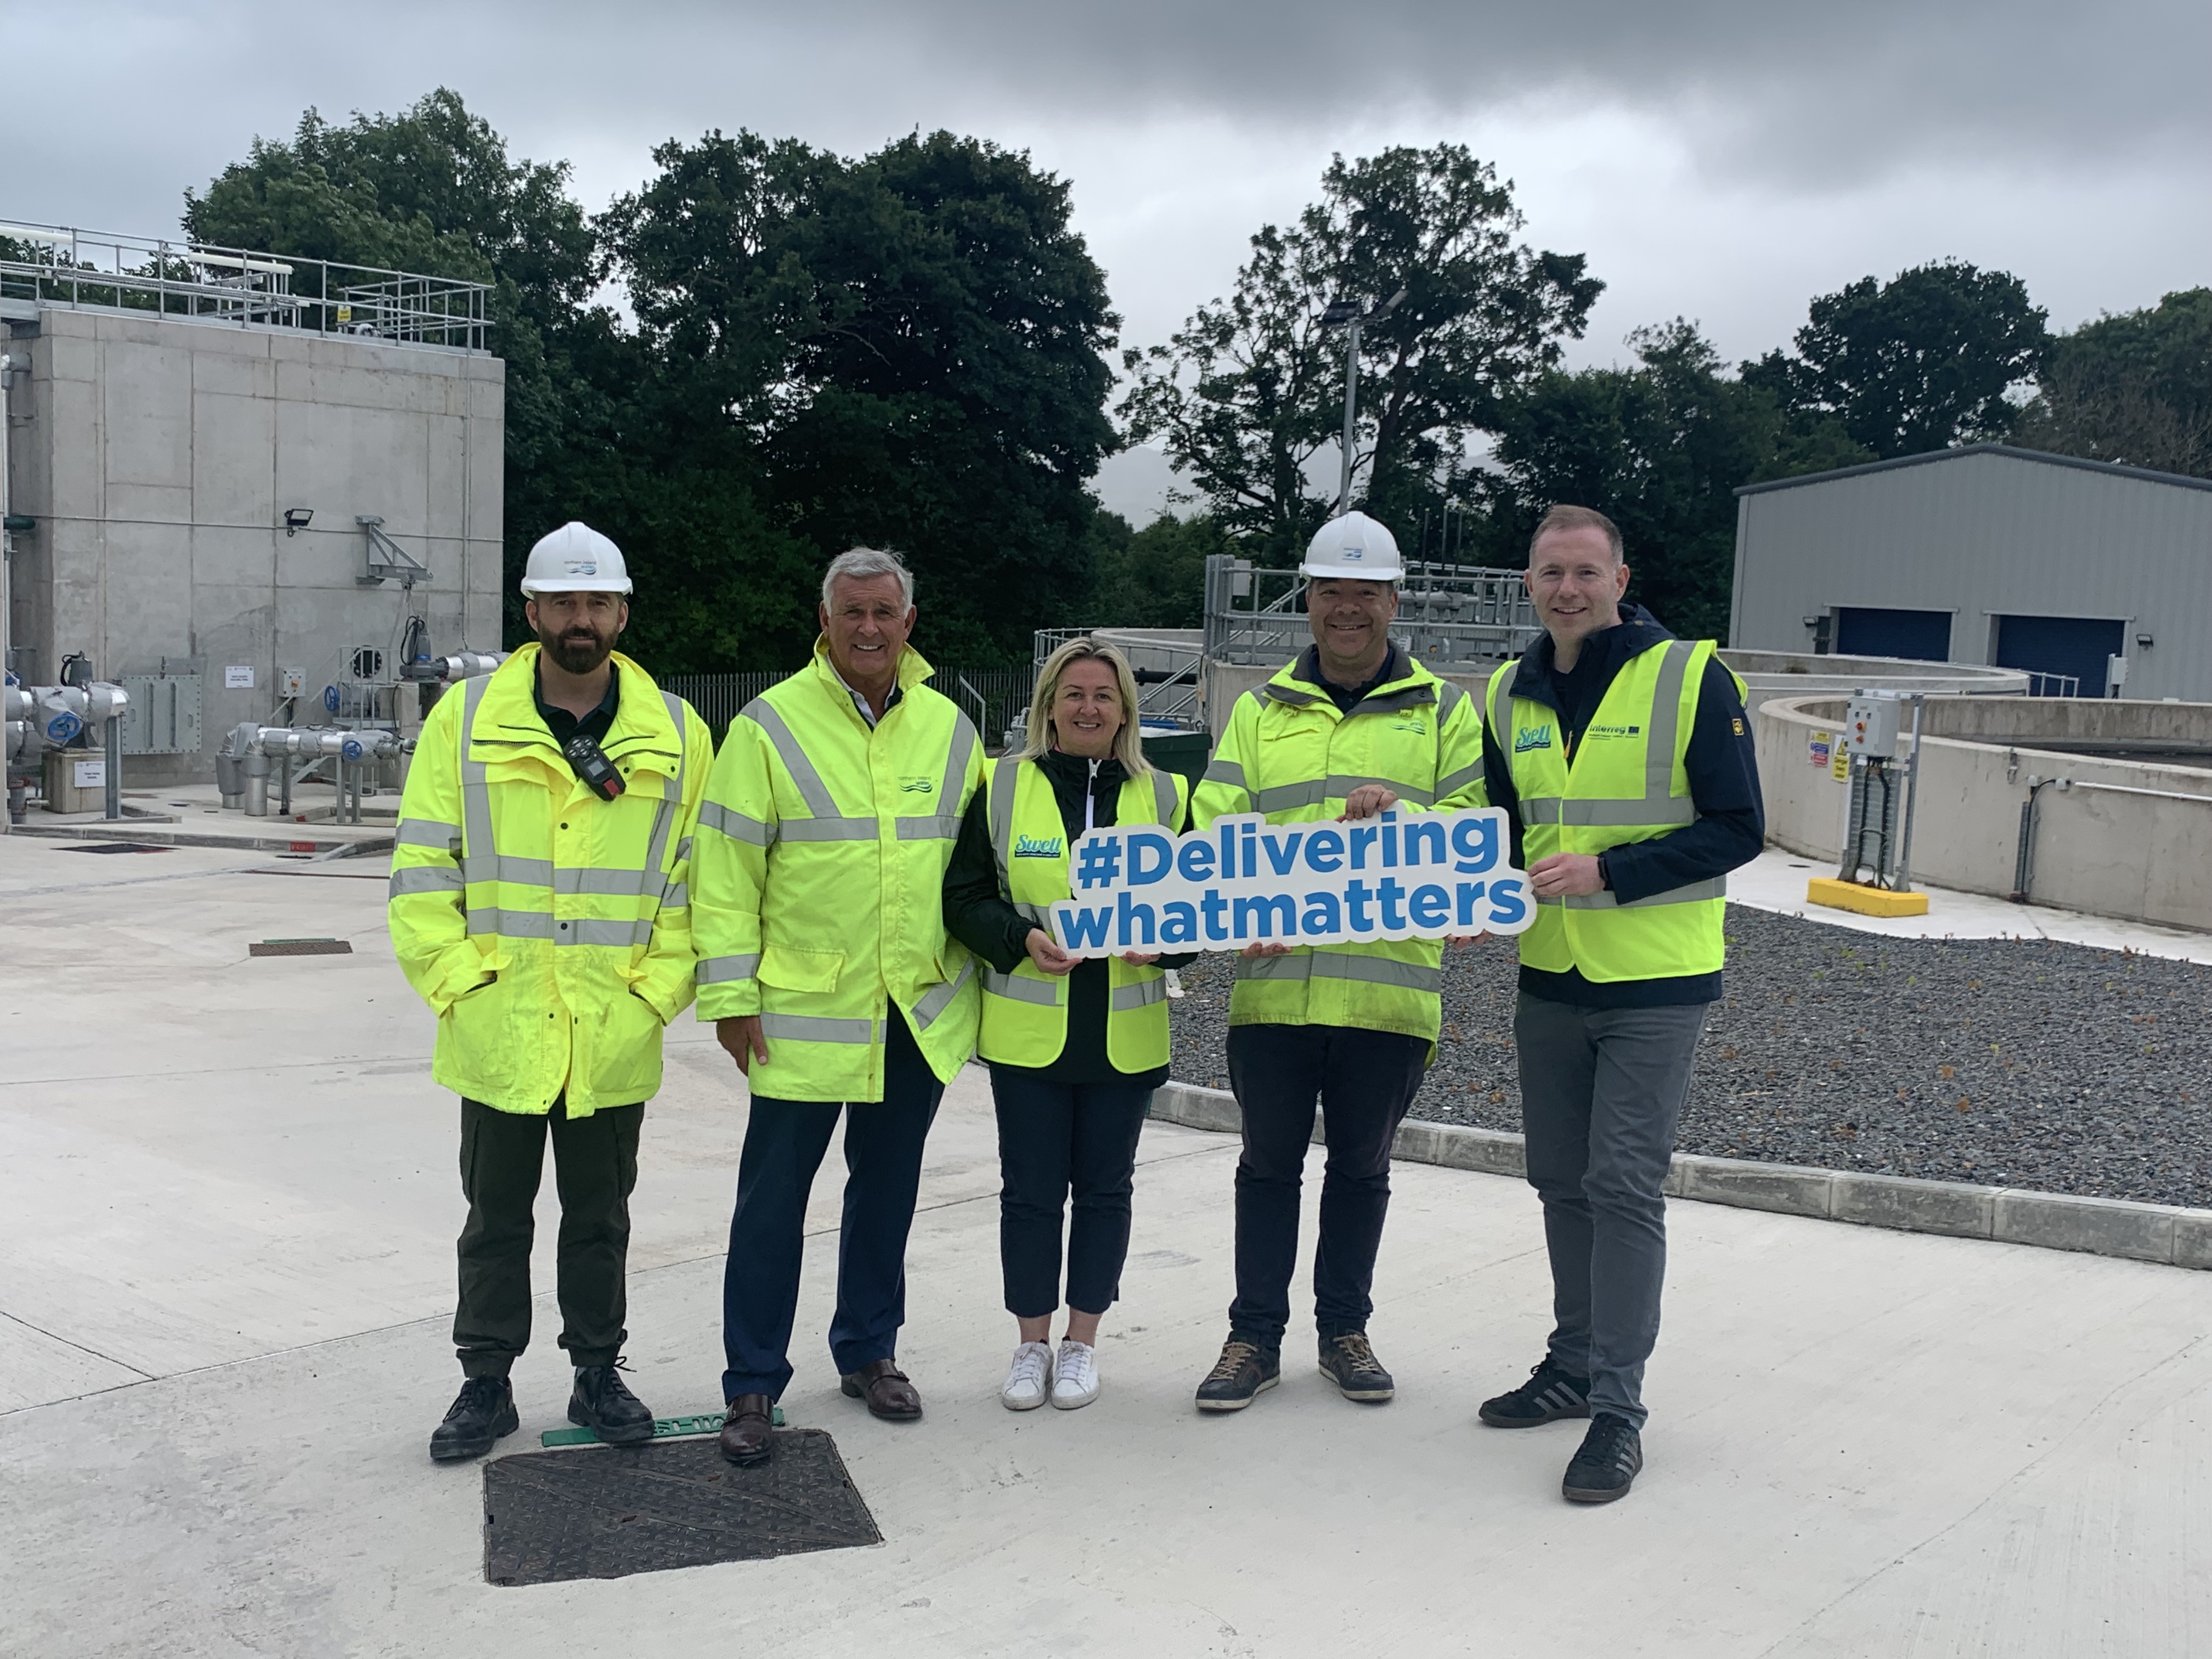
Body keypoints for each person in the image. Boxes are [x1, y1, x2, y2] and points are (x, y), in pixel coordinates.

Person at [390, 521, 715, 1463]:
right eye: (563, 603)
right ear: (531, 612)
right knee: (495, 1220)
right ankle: (484, 1383)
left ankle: (597, 1370)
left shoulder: (676, 733)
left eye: (597, 603)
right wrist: (460, 984)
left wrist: (653, 997)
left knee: (601, 1220)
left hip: (611, 1030)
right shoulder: (468, 718)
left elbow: (696, 885)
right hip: (499, 1024)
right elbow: (421, 869)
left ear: (621, 613)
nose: (582, 619)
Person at [1473, 503, 1763, 1504]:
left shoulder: (1690, 677)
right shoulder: (1509, 690)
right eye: (1551, 573)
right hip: (1550, 975)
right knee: (1560, 1182)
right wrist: (1463, 878)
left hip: (1654, 978)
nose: (1568, 590)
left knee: (1625, 1186)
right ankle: (1573, 1361)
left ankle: (1618, 1410)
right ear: (1528, 585)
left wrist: (1610, 873)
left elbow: (1738, 828)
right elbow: (1501, 829)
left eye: (1586, 573)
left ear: (1621, 581)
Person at [1188, 511, 1487, 1412]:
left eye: (1365, 593)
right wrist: (1296, 855)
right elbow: (1210, 828)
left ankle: (1344, 1331)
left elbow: (1473, 836)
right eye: (1330, 591)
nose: (1347, 609)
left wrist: (1402, 820)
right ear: (1307, 601)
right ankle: (1253, 1338)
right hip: (1275, 990)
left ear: (1394, 601)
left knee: (1362, 1172)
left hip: (1389, 1001)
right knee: (1266, 1170)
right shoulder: (1258, 711)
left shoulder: (1444, 713)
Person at [691, 547, 983, 1468]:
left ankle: (868, 1352)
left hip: (913, 1012)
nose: (868, 629)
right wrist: (731, 998)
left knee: (887, 1195)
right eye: (851, 612)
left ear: (909, 623)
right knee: (772, 1206)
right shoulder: (768, 726)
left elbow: (981, 867)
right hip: (799, 1016)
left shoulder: (950, 728)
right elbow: (725, 875)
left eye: (884, 612)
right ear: (824, 620)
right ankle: (751, 1384)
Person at [942, 637, 1192, 1412]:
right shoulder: (1002, 785)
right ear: (1049, 705)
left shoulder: (1170, 796)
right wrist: (1020, 941)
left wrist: (1167, 945)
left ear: (1125, 711)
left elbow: (1202, 910)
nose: (1088, 708)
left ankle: (1083, 1344)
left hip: (1125, 1038)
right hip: (1029, 1036)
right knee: (1030, 1194)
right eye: (1073, 694)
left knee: (1107, 1193)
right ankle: (1031, 1345)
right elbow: (965, 898)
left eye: (1103, 696)